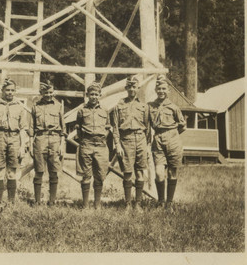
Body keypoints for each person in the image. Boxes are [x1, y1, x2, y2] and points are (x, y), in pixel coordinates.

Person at [0, 78, 28, 205]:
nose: (10, 92)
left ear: (15, 91)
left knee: (11, 173)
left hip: (14, 139)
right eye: (7, 90)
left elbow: (23, 129)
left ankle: (11, 202)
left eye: (12, 90)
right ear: (2, 91)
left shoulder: (20, 108)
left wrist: (22, 147)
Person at [148, 74, 186, 209]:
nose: (161, 91)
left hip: (173, 140)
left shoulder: (174, 107)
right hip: (158, 140)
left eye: (164, 89)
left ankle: (169, 203)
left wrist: (172, 135)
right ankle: (161, 201)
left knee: (172, 172)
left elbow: (182, 125)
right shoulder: (150, 106)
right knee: (159, 173)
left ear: (168, 90)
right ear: (155, 90)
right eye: (159, 89)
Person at [112, 76, 150, 210]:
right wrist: (117, 144)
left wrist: (146, 146)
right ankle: (128, 203)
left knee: (140, 173)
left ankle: (138, 203)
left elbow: (148, 127)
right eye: (129, 87)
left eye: (134, 87)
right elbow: (115, 127)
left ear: (138, 88)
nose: (132, 89)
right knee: (127, 173)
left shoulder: (144, 106)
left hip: (141, 140)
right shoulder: (119, 106)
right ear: (126, 88)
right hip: (125, 140)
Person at [28, 81, 66, 206]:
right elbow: (31, 127)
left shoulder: (59, 106)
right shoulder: (36, 106)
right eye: (46, 92)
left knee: (54, 171)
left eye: (51, 92)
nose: (49, 95)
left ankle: (52, 201)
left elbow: (63, 129)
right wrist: (30, 143)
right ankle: (37, 201)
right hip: (40, 138)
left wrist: (62, 145)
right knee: (39, 170)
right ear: (41, 93)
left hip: (55, 139)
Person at [76, 82, 111, 209]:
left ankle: (97, 204)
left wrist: (102, 137)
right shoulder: (81, 110)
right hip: (87, 144)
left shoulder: (105, 110)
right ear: (87, 95)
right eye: (92, 94)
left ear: (100, 95)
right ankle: (85, 206)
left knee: (100, 176)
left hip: (101, 145)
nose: (94, 96)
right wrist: (85, 140)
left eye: (96, 94)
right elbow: (78, 128)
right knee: (86, 175)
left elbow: (108, 127)